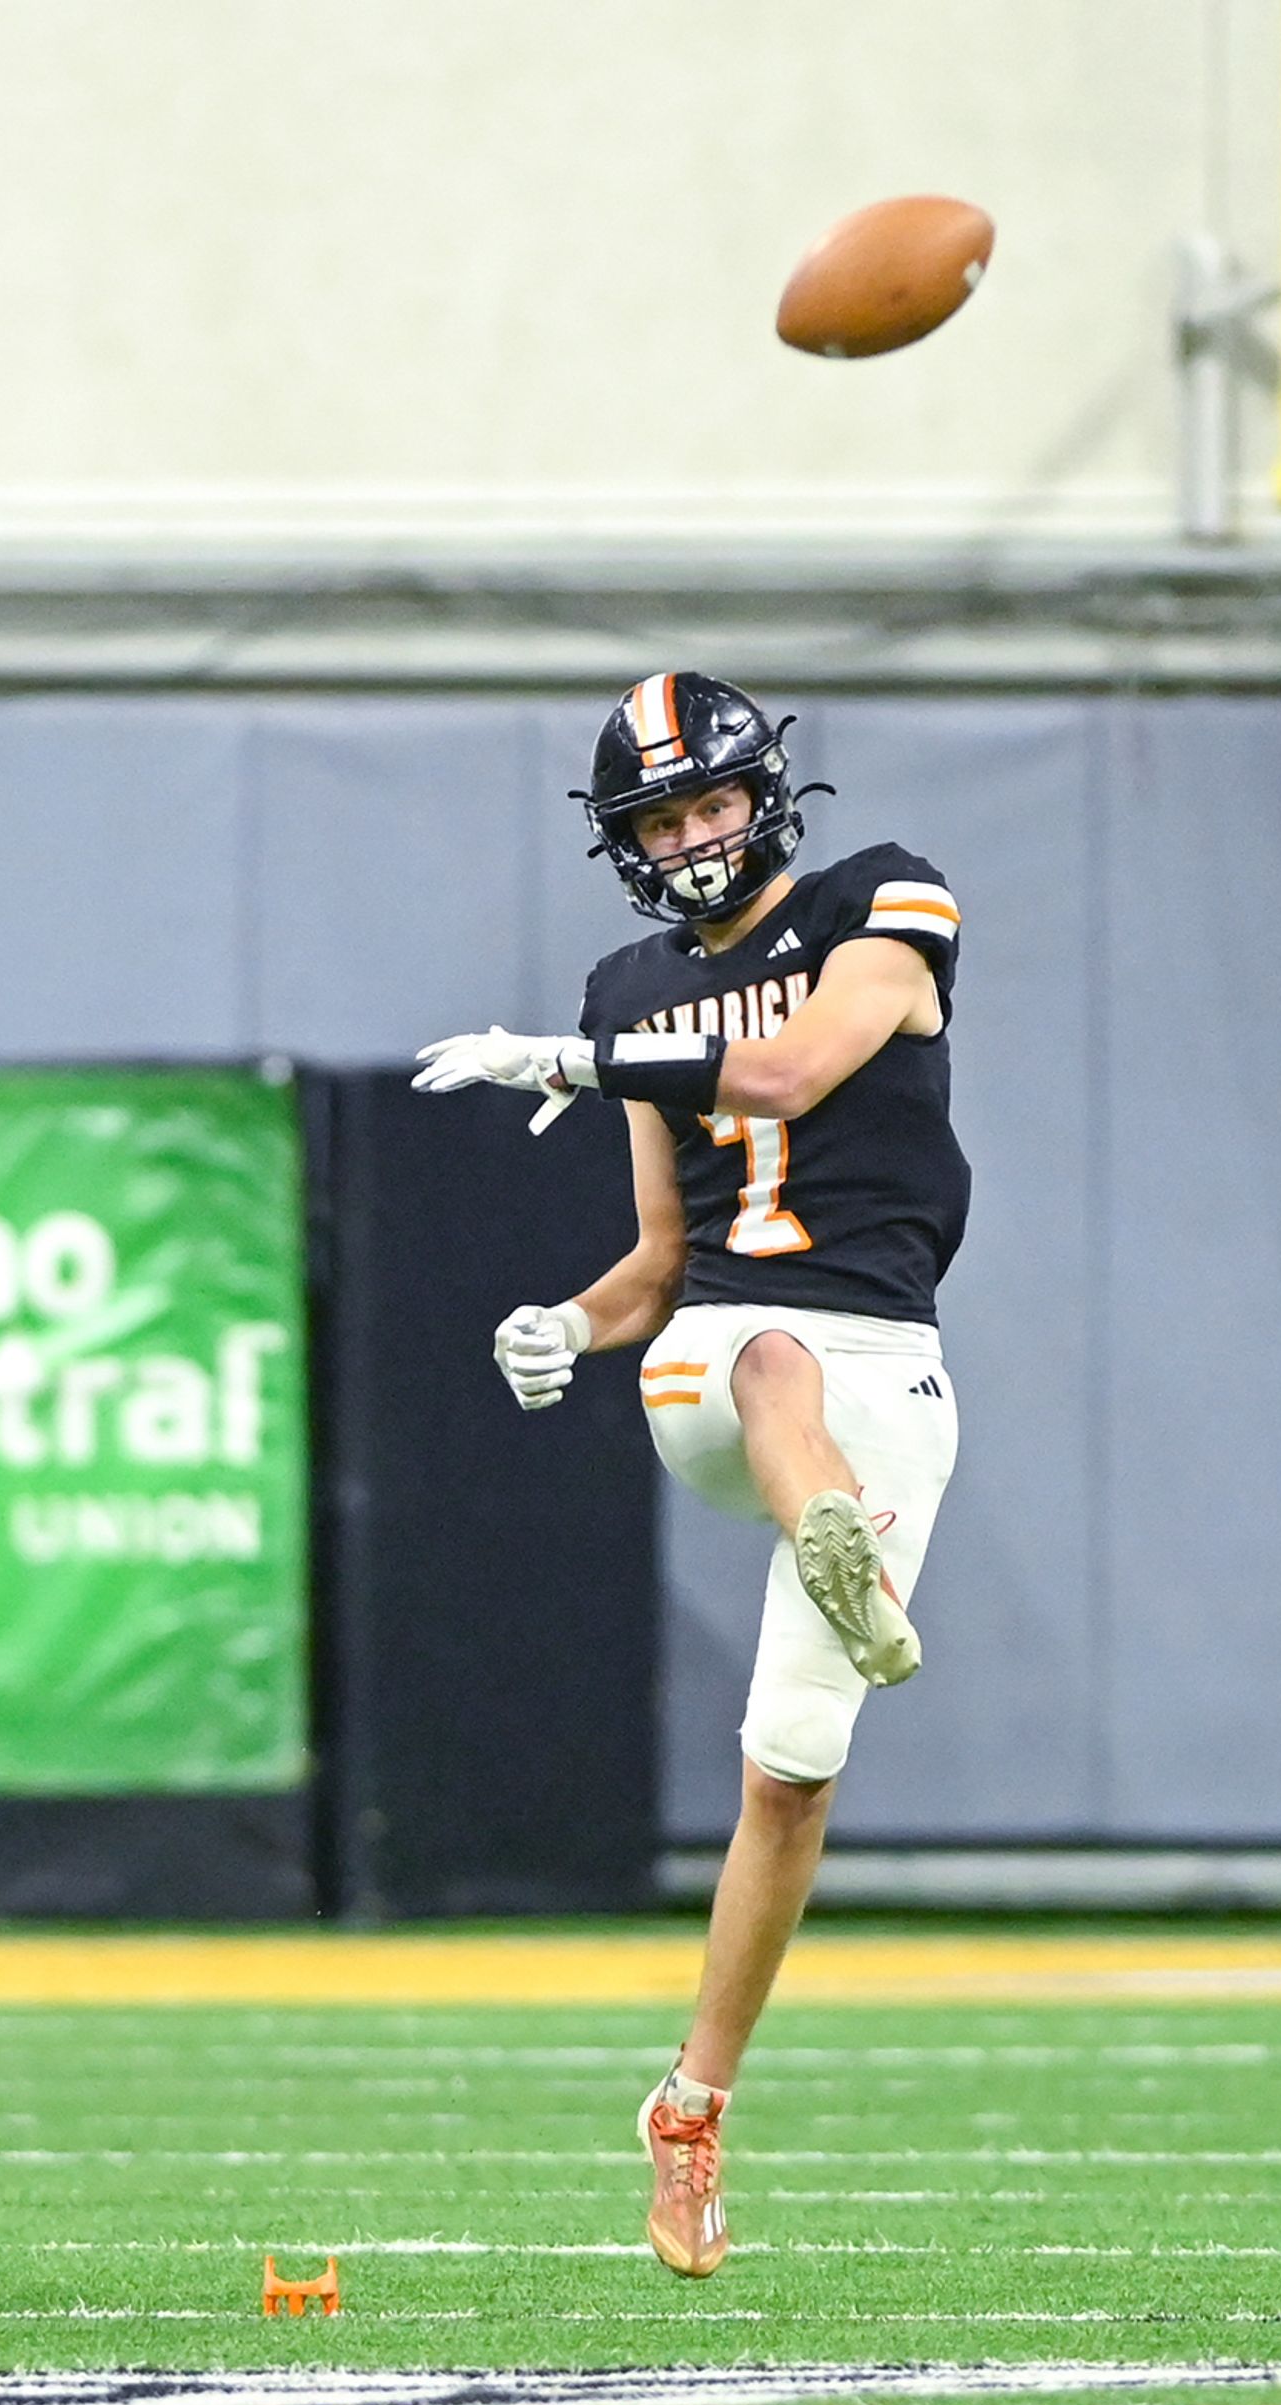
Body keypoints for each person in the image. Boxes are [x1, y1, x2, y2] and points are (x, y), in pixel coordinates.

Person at [413, 669, 967, 2279]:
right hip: (719, 1359)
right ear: (625, 843)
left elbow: (791, 1076)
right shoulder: (632, 983)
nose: (693, 837)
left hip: (895, 1364)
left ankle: (690, 2103)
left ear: (766, 795)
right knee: (768, 1360)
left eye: (711, 802)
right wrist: (562, 1327)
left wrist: (582, 1067)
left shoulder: (884, 899)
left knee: (790, 1771)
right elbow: (661, 1262)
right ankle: (830, 1536)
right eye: (659, 820)